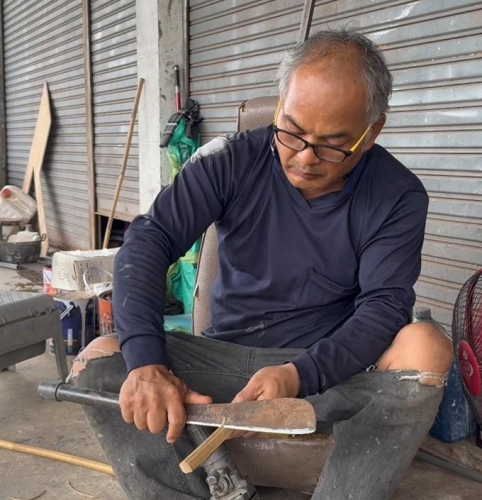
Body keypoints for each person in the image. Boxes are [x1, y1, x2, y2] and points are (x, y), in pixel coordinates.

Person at [71, 29, 453, 500]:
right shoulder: (230, 159)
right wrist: (147, 363)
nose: (305, 158)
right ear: (279, 108)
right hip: (227, 360)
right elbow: (149, 241)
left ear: (371, 132)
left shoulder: (397, 194)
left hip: (329, 369)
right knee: (101, 361)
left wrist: (299, 374)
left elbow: (384, 306)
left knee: (426, 346)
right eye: (291, 132)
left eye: (333, 144)